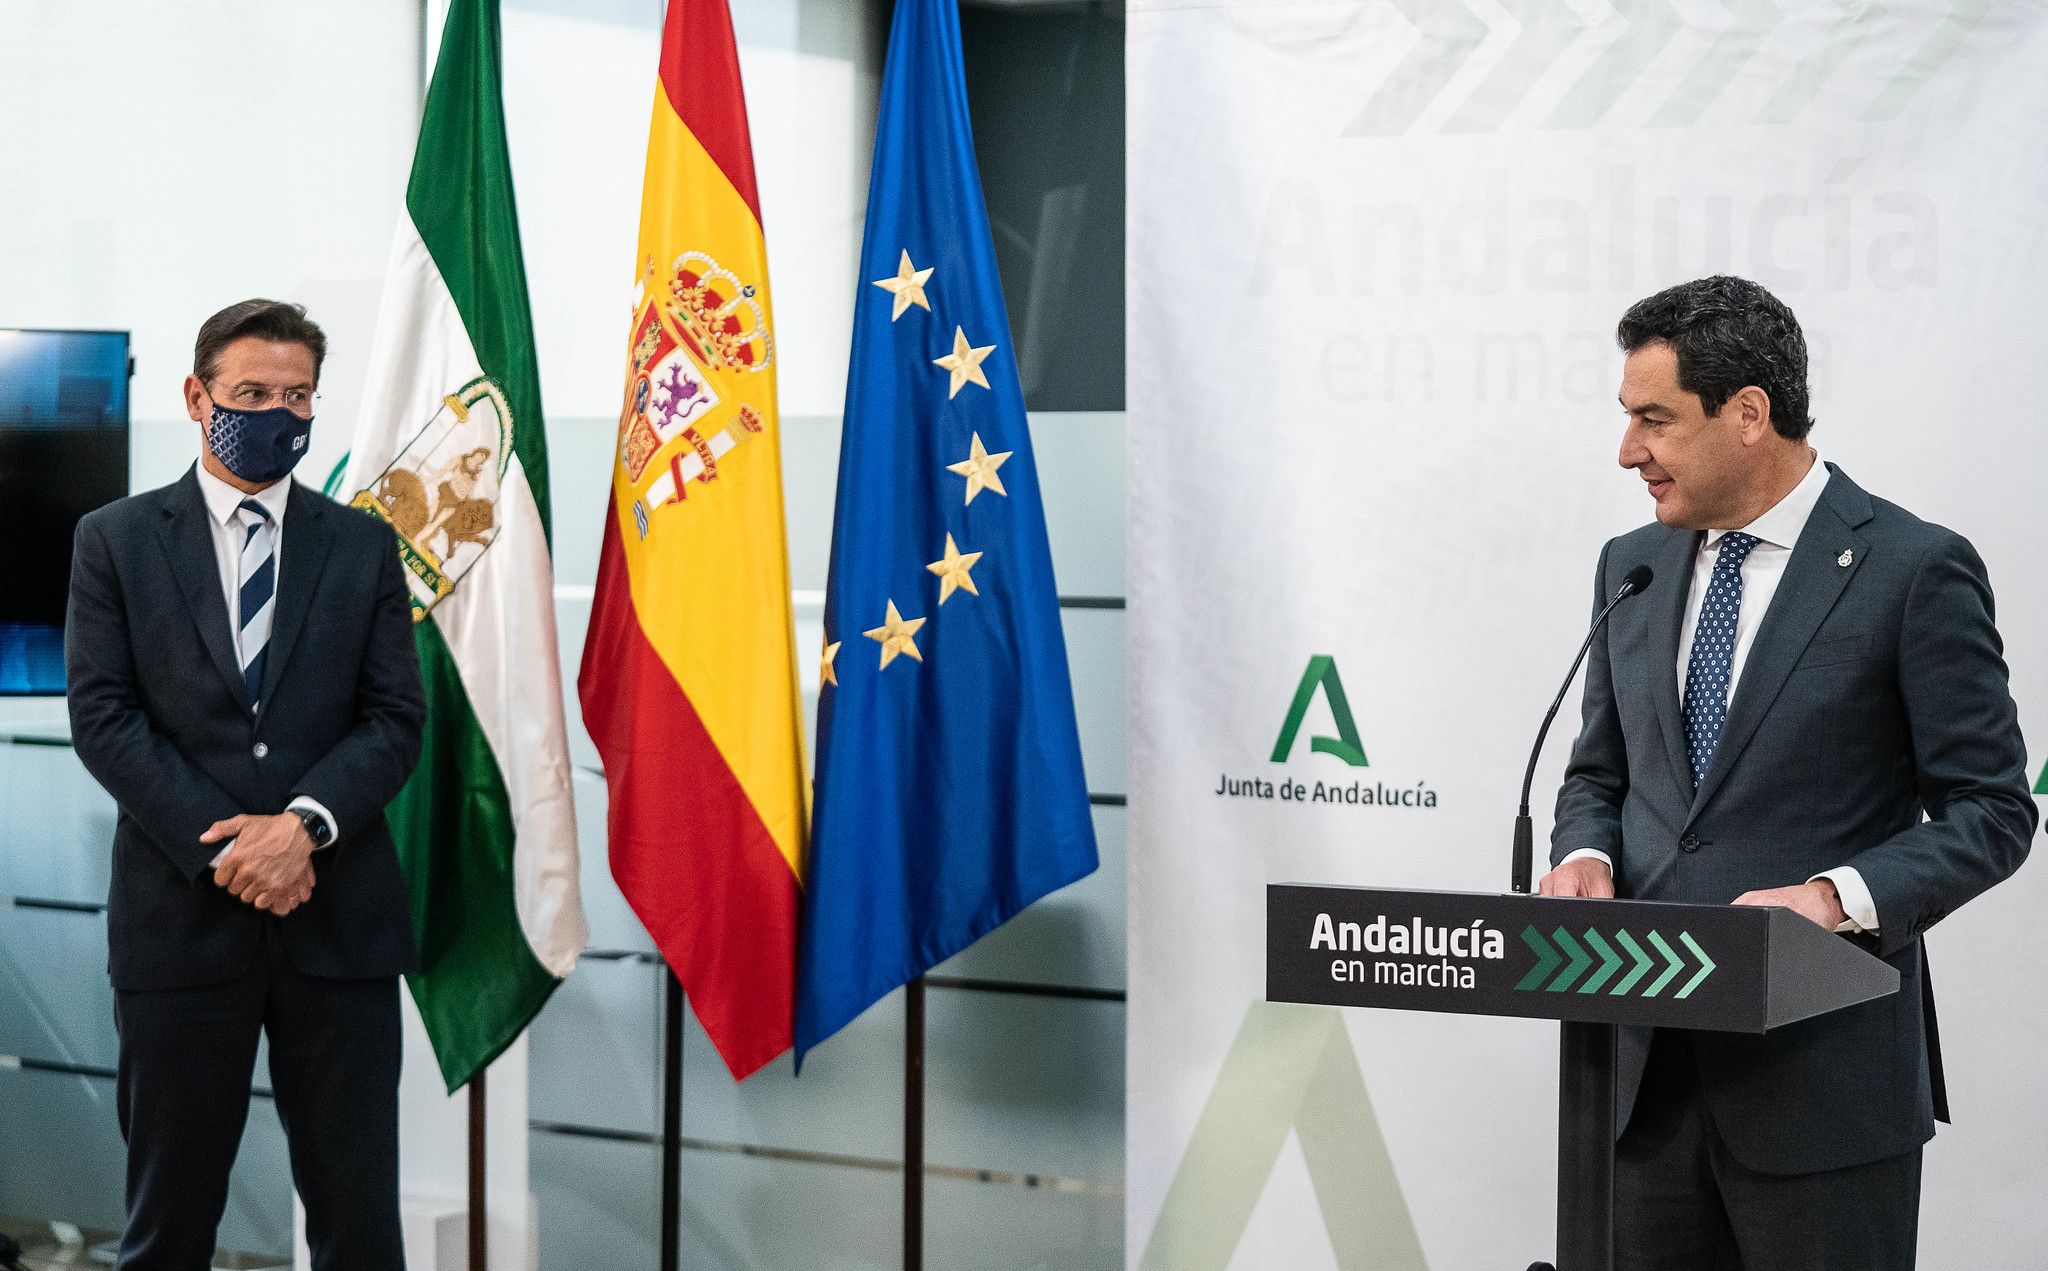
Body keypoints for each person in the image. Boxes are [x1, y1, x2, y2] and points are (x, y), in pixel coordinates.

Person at [1539, 275, 2036, 1270]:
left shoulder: (1912, 568)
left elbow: (1991, 811)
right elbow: (1598, 770)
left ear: (1747, 413)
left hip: (1822, 1092)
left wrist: (1832, 898)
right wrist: (1584, 851)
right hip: (1642, 1085)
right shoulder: (1630, 563)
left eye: (1653, 419)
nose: (1627, 450)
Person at [65, 299, 424, 1269]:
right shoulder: (115, 539)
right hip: (181, 926)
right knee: (167, 1225)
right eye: (253, 393)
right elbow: (104, 717)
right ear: (197, 396)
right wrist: (236, 846)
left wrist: (301, 826)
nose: (278, 414)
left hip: (337, 925)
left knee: (359, 1225)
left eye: (298, 396)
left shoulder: (362, 544)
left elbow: (395, 718)